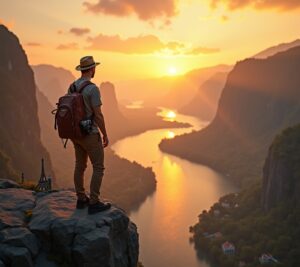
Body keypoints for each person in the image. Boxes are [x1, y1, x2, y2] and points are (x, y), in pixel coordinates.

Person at [70, 56, 111, 214]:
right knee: (98, 167)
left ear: (81, 70)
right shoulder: (93, 89)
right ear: (92, 69)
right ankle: (94, 202)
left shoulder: (72, 86)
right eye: (94, 68)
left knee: (79, 166)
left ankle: (81, 199)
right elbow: (98, 115)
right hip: (90, 134)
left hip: (76, 134)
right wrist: (105, 134)